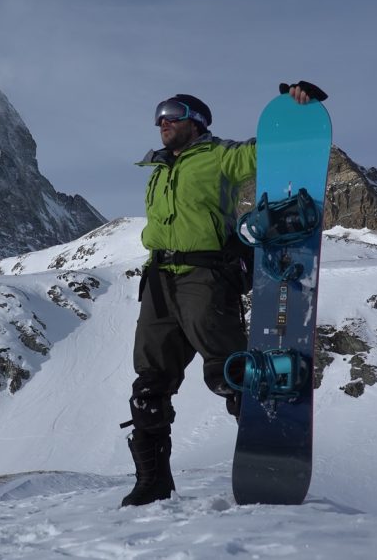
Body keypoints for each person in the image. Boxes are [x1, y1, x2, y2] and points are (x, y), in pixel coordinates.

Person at [121, 84, 318, 507]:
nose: (163, 122)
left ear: (196, 121)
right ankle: (152, 484)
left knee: (229, 373)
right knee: (149, 386)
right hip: (158, 278)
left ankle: (269, 464)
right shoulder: (159, 169)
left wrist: (297, 112)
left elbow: (266, 150)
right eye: (158, 116)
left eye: (172, 114)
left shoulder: (219, 156)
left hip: (204, 273)